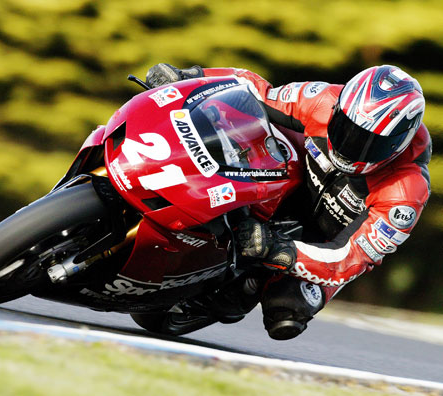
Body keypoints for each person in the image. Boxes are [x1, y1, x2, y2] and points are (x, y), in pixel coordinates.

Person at [145, 63, 431, 340]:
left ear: (401, 142)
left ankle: (244, 287)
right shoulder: (321, 99)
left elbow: (348, 258)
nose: (351, 146)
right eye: (345, 128)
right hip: (285, 186)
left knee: (286, 313)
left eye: (371, 143)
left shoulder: (405, 192)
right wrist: (189, 77)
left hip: (322, 243)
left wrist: (279, 249)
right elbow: (253, 90)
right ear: (339, 108)